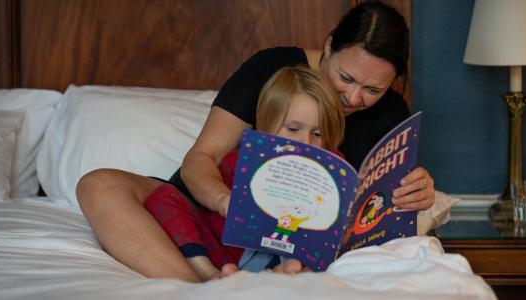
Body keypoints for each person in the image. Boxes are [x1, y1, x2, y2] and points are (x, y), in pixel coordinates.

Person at [77, 1, 436, 282]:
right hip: (215, 209)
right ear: (329, 47)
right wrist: (224, 201)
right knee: (98, 185)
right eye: (346, 78)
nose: (354, 99)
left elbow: (378, 206)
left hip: (299, 234)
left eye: (373, 89)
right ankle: (197, 288)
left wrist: (416, 192)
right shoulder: (272, 69)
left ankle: (243, 283)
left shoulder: (391, 113)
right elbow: (201, 157)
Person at [142, 65, 345, 281]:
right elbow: (213, 213)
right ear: (266, 124)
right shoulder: (242, 159)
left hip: (296, 251)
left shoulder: (334, 164)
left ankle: (282, 272)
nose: (305, 142)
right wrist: (225, 201)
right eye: (293, 129)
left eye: (317, 133)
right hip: (229, 253)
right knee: (163, 197)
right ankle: (208, 273)